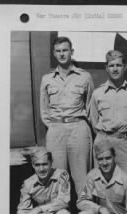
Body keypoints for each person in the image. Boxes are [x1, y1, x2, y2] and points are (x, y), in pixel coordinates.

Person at [40, 36, 94, 195]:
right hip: (56, 129)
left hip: (78, 128)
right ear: (54, 54)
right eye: (58, 51)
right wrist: (54, 127)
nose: (62, 54)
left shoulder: (85, 77)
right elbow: (44, 109)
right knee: (57, 176)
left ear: (72, 52)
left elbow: (91, 107)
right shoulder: (47, 79)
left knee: (81, 176)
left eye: (65, 50)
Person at [89, 50, 127, 178]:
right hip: (103, 141)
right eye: (111, 65)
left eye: (118, 65)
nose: (115, 69)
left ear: (125, 67)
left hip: (126, 143)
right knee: (102, 183)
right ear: (106, 68)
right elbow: (93, 120)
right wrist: (105, 136)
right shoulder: (98, 93)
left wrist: (124, 134)